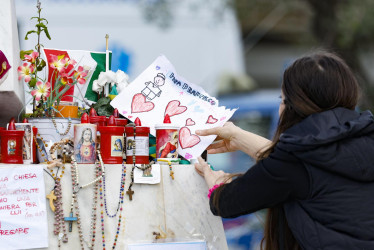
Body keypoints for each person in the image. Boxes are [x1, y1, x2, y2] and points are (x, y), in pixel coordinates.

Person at [194, 51, 374, 250]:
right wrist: (238, 136)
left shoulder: (296, 158)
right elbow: (305, 170)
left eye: (283, 99)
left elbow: (227, 203)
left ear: (295, 105)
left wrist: (216, 187)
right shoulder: (365, 138)